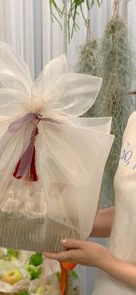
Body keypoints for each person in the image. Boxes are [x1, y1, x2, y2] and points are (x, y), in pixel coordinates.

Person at [45, 92, 136, 294]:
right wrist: (73, 223)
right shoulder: (134, 122)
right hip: (107, 287)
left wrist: (103, 260)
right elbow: (129, 211)